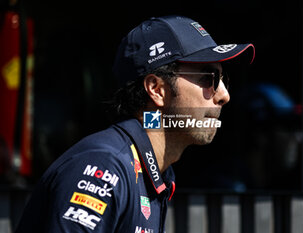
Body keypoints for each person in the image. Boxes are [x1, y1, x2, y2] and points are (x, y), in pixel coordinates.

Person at [15, 15, 254, 232]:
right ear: (156, 89)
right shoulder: (105, 167)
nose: (224, 95)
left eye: (224, 79)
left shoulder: (154, 171)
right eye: (208, 78)